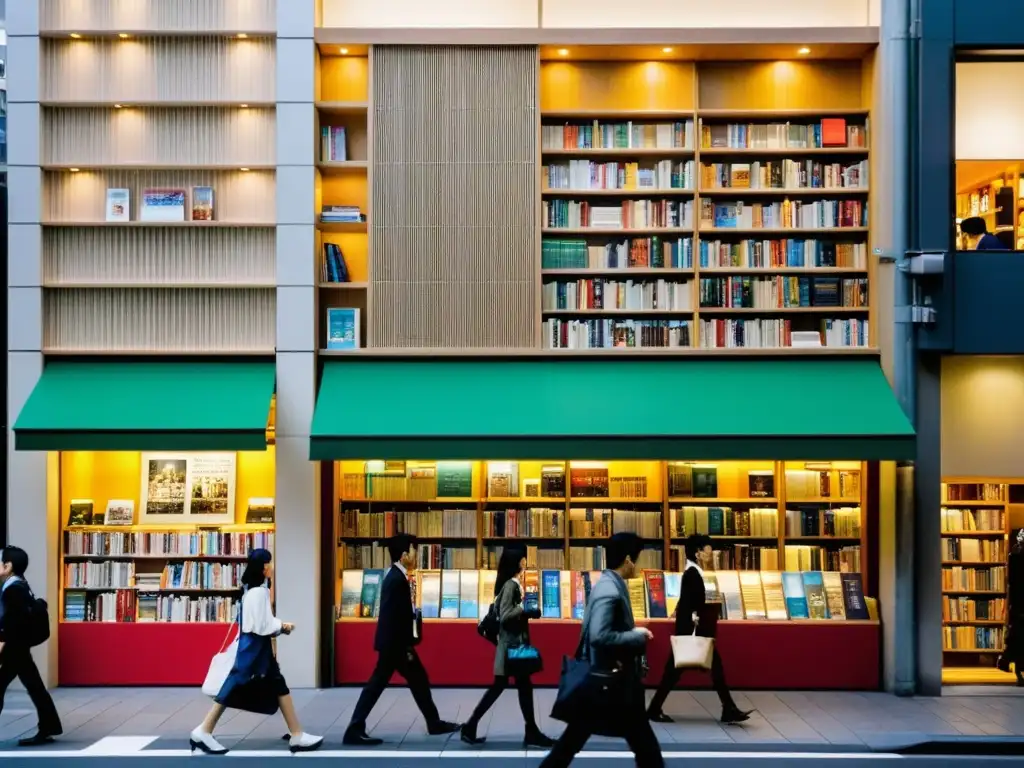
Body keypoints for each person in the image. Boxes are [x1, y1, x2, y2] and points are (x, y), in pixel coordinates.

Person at [540, 532, 663, 768]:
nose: (638, 565)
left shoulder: (608, 584)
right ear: (628, 560)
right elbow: (599, 635)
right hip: (612, 682)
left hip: (607, 681)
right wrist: (635, 636)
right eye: (637, 559)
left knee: (571, 742)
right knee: (645, 749)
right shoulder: (610, 589)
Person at [190, 548, 323, 754]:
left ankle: (297, 734)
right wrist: (283, 626)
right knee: (234, 686)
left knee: (278, 685)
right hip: (254, 649)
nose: (270, 567)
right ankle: (204, 730)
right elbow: (263, 626)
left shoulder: (250, 591)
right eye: (267, 564)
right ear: (262, 568)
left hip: (254, 647)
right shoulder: (260, 592)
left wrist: (277, 626)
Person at [343, 534, 458, 746]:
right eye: (414, 551)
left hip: (394, 643)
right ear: (404, 555)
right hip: (395, 645)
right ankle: (354, 728)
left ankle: (433, 722)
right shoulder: (396, 579)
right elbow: (393, 616)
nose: (416, 555)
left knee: (415, 680)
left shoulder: (397, 576)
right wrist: (406, 645)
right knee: (381, 685)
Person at [648, 534, 752, 725]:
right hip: (694, 631)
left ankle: (728, 708)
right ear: (697, 553)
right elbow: (695, 605)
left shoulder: (693, 572)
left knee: (686, 670)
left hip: (691, 631)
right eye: (707, 549)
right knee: (675, 671)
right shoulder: (694, 575)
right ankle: (654, 709)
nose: (710, 553)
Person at [460, 547, 553, 748]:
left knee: (517, 686)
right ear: (520, 562)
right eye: (524, 559)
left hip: (510, 646)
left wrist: (526, 613)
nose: (526, 562)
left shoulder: (508, 584)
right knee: (507, 686)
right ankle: (529, 732)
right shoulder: (512, 585)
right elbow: (505, 615)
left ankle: (529, 730)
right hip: (512, 647)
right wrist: (525, 609)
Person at [0, 546, 63, 747]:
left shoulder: (13, 589)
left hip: (14, 648)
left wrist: (2, 644)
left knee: (32, 687)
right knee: (35, 687)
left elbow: (13, 622)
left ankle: (49, 726)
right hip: (18, 648)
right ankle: (49, 726)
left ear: (7, 566)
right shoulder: (19, 584)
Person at [998, 529, 1024, 685]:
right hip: (1020, 604)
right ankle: (1016, 668)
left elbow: (1012, 585)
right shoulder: (1016, 557)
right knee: (1020, 639)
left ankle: (1010, 663)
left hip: (1018, 604)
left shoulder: (1014, 555)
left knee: (1018, 639)